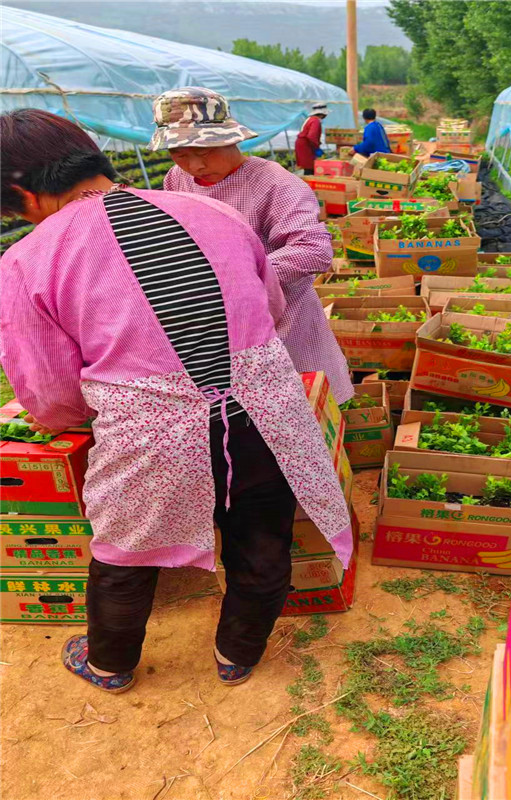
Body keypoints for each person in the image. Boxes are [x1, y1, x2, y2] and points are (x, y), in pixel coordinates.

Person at [0, 109, 353, 693]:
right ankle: (237, 654)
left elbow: (50, 391)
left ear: (23, 195)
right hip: (265, 407)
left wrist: (78, 414)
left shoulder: (28, 260)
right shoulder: (212, 213)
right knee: (262, 535)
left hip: (151, 431)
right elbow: (268, 308)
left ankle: (110, 663)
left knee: (127, 549)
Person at [154, 88, 353, 405]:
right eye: (180, 154)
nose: (195, 165)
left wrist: (235, 278)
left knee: (301, 406)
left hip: (283, 319)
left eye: (205, 152)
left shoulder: (274, 183)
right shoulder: (177, 179)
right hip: (220, 324)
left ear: (232, 139)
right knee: (240, 413)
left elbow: (313, 249)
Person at [294, 102, 328, 175]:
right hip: (306, 145)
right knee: (309, 166)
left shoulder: (310, 119)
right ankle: (308, 180)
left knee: (308, 166)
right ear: (322, 114)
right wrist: (316, 147)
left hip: (303, 143)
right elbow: (311, 136)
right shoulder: (315, 121)